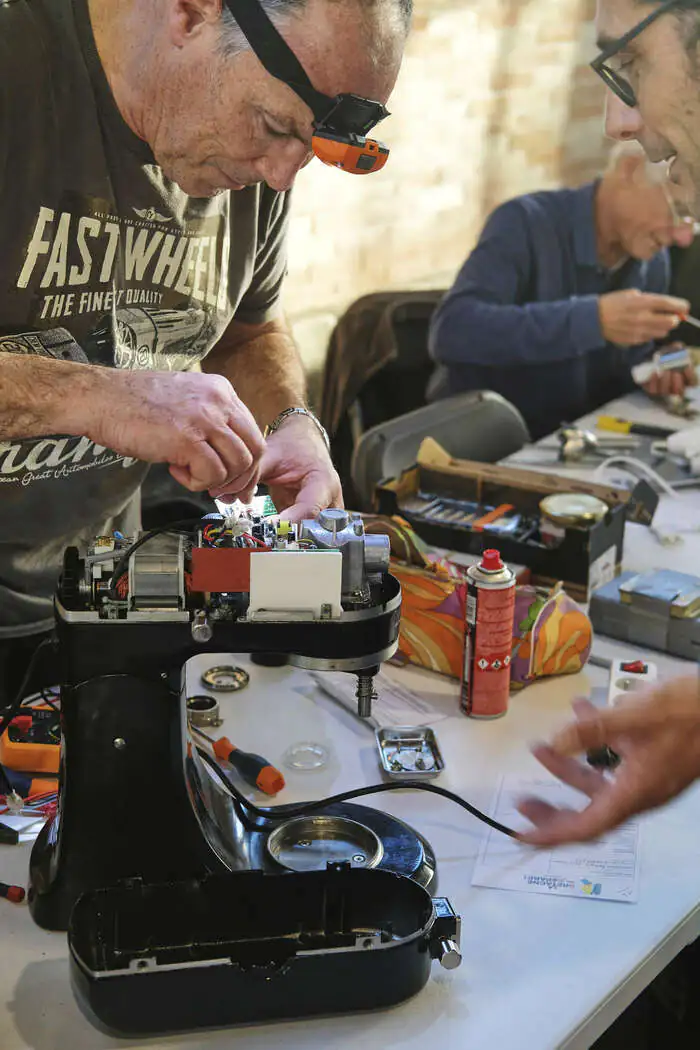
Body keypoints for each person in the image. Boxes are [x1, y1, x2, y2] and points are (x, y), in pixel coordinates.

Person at [0, 0, 409, 701]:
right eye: (277, 126)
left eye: (312, 148)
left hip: (100, 607)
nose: (283, 176)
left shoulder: (250, 169)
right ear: (190, 12)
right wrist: (99, 396)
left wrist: (292, 424)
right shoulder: (20, 70)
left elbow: (250, 330)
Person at [518, 0, 700, 848]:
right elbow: (453, 332)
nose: (620, 121)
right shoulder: (531, 226)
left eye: (630, 66)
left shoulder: (658, 252)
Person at [427, 146, 696, 440]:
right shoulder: (525, 222)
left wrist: (662, 365)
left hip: (577, 445)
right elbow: (452, 331)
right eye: (679, 211)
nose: (683, 239)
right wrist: (593, 321)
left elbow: (626, 366)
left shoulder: (653, 258)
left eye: (694, 223)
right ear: (629, 169)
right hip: (478, 445)